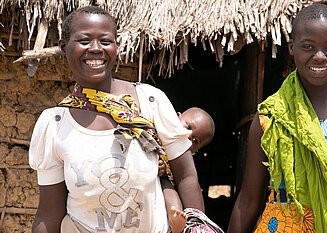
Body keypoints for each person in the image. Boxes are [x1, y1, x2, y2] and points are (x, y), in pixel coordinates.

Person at [29, 6, 204, 233]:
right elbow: (49, 215)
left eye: (105, 41)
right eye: (84, 40)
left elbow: (186, 177)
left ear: (116, 46)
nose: (95, 49)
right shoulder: (54, 125)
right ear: (64, 47)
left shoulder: (150, 101)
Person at [227, 3, 327, 233]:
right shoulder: (271, 116)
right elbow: (248, 201)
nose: (319, 56)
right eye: (308, 47)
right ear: (292, 47)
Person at [159, 107, 217, 233]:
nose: (189, 135)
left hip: (166, 199)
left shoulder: (184, 166)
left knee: (171, 194)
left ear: (195, 151)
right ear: (176, 116)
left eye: (195, 141)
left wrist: (164, 171)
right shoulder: (157, 131)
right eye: (188, 127)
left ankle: (177, 226)